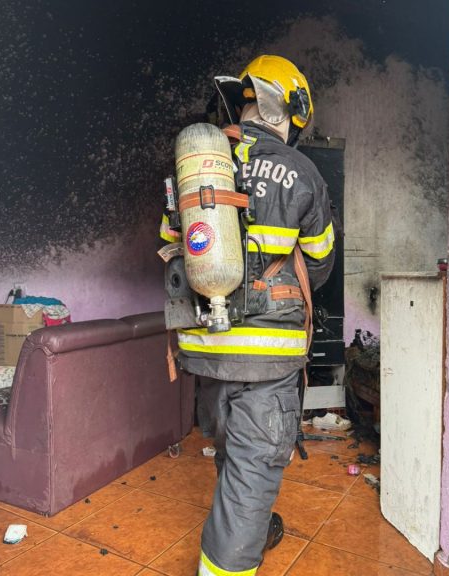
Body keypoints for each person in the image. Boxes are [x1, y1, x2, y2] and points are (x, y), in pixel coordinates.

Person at [170, 55, 336, 576]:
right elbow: (322, 264)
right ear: (291, 110)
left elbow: (169, 247)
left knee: (234, 449)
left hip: (205, 347)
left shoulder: (195, 164)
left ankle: (252, 522)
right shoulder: (302, 171)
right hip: (267, 356)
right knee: (254, 465)